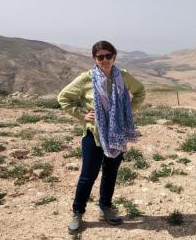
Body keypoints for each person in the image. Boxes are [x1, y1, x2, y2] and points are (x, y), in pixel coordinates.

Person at [57, 40, 145, 234]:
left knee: (111, 173)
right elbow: (63, 97)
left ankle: (106, 207)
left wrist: (127, 111)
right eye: (100, 57)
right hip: (94, 135)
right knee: (87, 176)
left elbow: (140, 92)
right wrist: (81, 115)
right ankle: (77, 212)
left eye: (108, 56)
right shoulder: (86, 78)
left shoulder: (123, 76)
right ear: (94, 59)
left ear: (114, 57)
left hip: (118, 134)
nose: (105, 60)